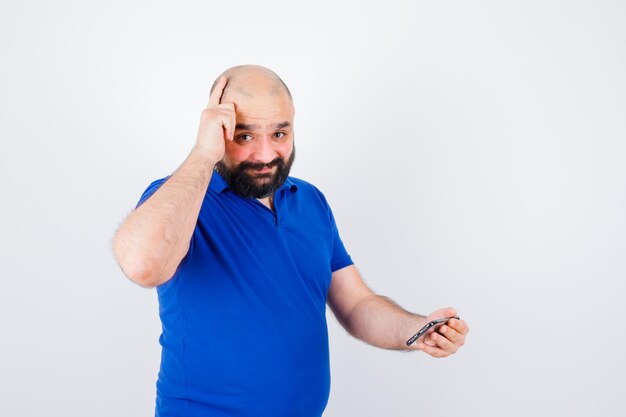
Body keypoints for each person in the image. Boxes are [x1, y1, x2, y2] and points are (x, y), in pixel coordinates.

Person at [112, 65, 469, 417]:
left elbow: (357, 304)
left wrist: (416, 331)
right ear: (216, 130)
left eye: (279, 134)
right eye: (244, 136)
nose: (265, 155)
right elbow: (143, 265)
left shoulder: (310, 201)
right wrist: (203, 155)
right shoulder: (181, 198)